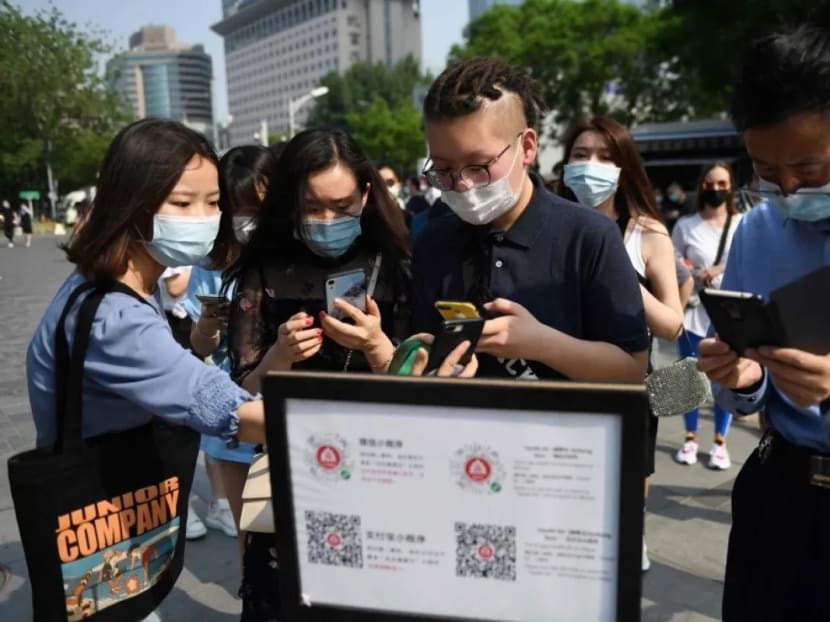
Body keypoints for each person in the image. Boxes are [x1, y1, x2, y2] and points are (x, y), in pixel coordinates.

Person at [25, 118, 268, 622]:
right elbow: (217, 404)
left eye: (212, 201)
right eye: (182, 203)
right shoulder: (118, 318)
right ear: (131, 203)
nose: (203, 217)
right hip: (102, 525)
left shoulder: (127, 281)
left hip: (118, 510)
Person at [223, 128, 428, 621]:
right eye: (312, 207)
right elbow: (238, 394)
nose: (326, 221)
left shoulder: (397, 265)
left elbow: (424, 388)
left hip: (381, 473)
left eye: (341, 206)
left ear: (365, 194)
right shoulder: (263, 272)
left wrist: (378, 346)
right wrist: (278, 357)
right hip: (291, 478)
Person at [696, 24, 830, 621]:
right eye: (766, 169)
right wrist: (743, 378)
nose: (790, 186)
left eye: (808, 164)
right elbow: (746, 394)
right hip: (779, 497)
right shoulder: (755, 232)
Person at [412, 57, 650, 385]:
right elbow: (421, 347)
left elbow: (632, 369)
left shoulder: (589, 237)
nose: (462, 183)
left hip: (563, 434)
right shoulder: (432, 242)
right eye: (443, 169)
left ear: (526, 147)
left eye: (478, 165)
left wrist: (543, 345)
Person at [557, 115, 683, 572]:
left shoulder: (646, 233)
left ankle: (632, 534)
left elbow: (672, 325)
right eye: (580, 155)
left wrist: (621, 275)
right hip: (558, 373)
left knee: (631, 470)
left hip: (629, 378)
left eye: (605, 157)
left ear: (623, 167)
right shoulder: (548, 223)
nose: (590, 165)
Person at [182, 145, 277, 548]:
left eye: (257, 208)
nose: (247, 221)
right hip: (234, 412)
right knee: (250, 537)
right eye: (237, 209)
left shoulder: (299, 261)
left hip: (285, 408)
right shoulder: (211, 264)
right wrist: (207, 326)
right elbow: (200, 345)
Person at [672, 162, 743, 470]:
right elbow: (673, 265)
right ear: (702, 186)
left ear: (731, 187)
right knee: (689, 378)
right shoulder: (685, 225)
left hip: (729, 314)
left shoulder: (745, 223)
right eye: (710, 184)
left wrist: (720, 269)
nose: (716, 189)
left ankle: (719, 443)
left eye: (722, 183)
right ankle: (689, 438)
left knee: (725, 378)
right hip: (693, 315)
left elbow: (748, 259)